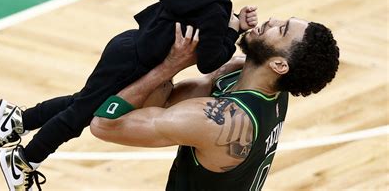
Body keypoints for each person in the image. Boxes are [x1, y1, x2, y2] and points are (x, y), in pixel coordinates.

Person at [0, 0, 259, 190]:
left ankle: (16, 120)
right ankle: (25, 162)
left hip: (129, 48)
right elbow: (210, 62)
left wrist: (233, 23)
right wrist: (234, 28)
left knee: (83, 103)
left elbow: (210, 32)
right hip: (131, 61)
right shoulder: (209, 2)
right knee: (80, 116)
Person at [90, 17, 340, 190]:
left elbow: (106, 125)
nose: (271, 21)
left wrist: (173, 64)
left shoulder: (220, 121)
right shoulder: (261, 82)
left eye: (281, 30)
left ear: (279, 65)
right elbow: (163, 102)